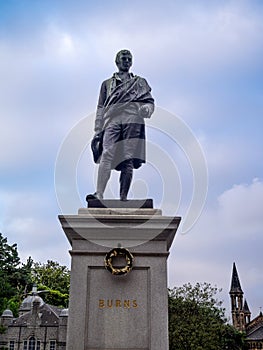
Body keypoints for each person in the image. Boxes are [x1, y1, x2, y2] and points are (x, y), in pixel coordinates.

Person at [87, 49, 154, 201]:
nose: (126, 61)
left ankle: (123, 197)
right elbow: (100, 107)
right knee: (107, 153)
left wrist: (146, 109)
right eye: (123, 58)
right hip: (112, 120)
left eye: (129, 59)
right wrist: (98, 129)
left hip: (133, 119)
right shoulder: (107, 84)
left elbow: (149, 102)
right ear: (117, 62)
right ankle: (99, 193)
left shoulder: (140, 83)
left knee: (128, 158)